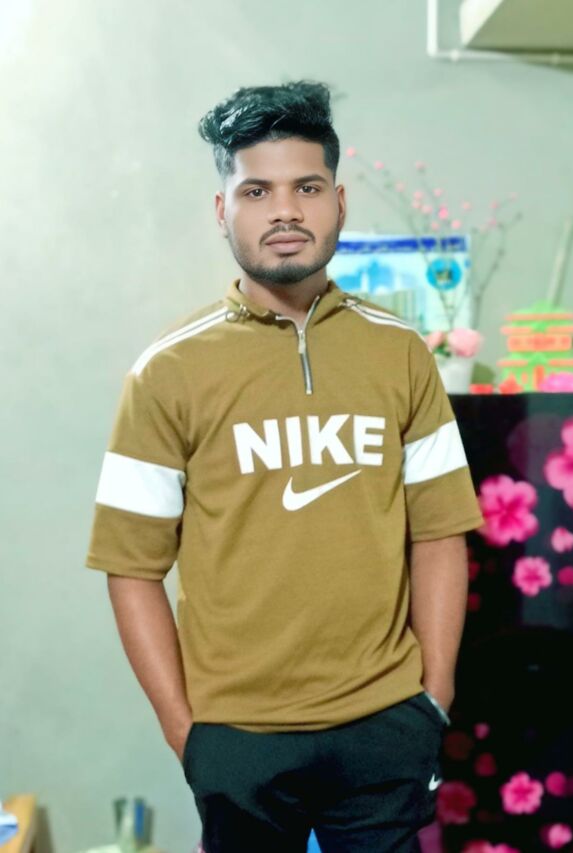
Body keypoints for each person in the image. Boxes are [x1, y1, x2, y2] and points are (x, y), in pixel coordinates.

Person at [85, 79, 484, 853]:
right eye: (256, 190)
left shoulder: (401, 352)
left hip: (384, 724)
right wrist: (187, 731)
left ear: (338, 201)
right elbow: (130, 566)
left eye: (307, 187)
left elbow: (439, 533)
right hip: (239, 735)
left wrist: (432, 697)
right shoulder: (166, 371)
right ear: (222, 209)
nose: (285, 211)